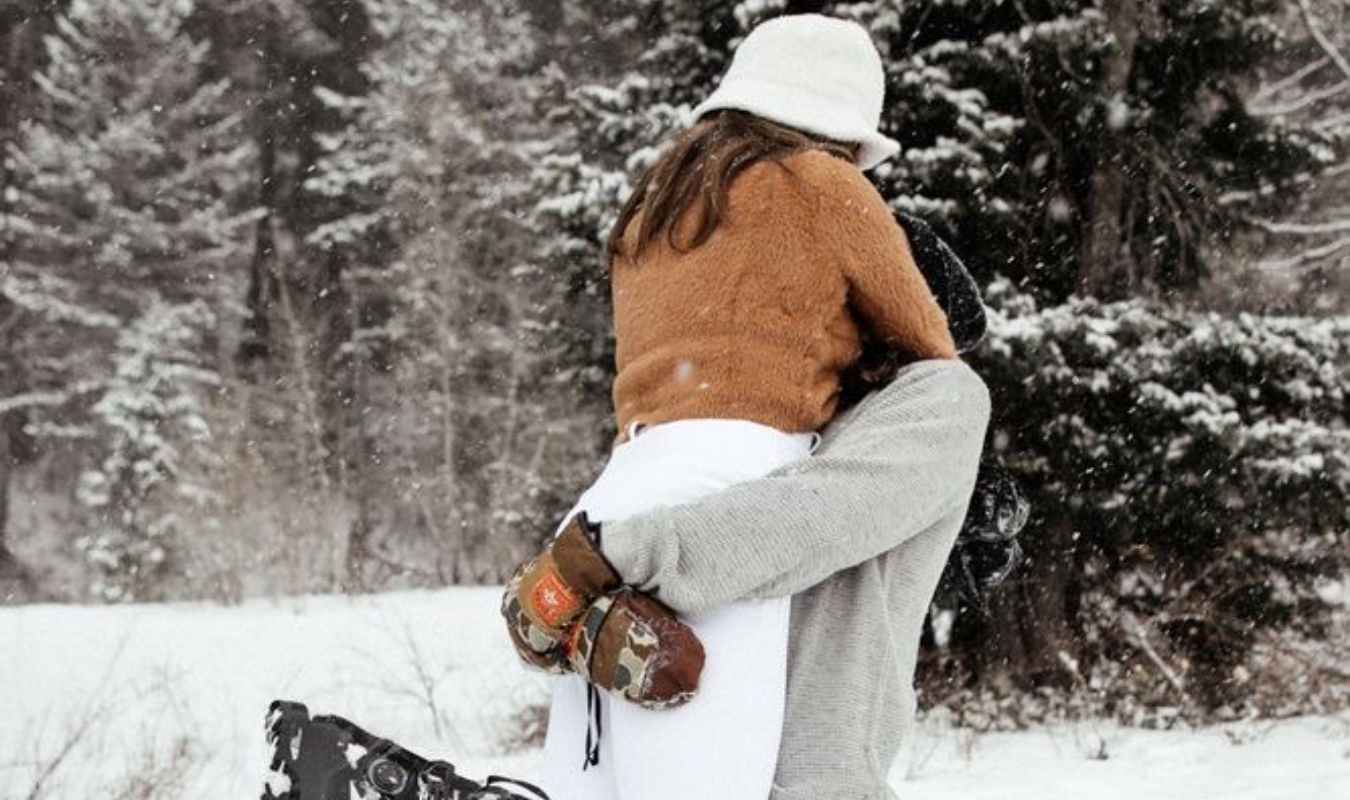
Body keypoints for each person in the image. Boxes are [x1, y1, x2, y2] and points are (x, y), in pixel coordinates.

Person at [502, 13, 987, 800]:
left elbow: (731, 339)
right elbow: (930, 346)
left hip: (611, 501)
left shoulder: (653, 206)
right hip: (709, 536)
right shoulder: (825, 186)